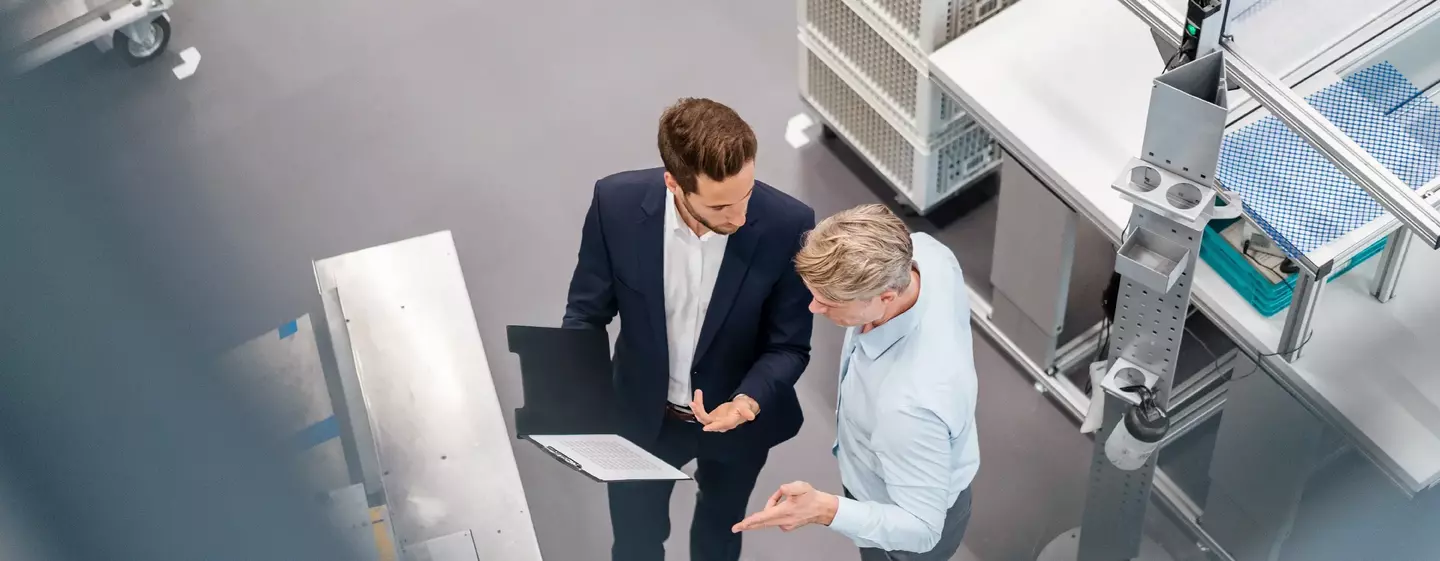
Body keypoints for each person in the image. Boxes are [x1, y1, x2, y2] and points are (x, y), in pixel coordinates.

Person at [562, 97, 816, 561]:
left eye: (747, 194)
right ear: (674, 184)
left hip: (737, 423)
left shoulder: (789, 225)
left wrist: (746, 403)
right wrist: (577, 404)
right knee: (636, 542)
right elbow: (585, 315)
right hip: (642, 418)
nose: (739, 218)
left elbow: (790, 346)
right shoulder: (614, 205)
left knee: (721, 534)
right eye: (720, 206)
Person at [731, 204, 980, 561]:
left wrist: (824, 510)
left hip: (903, 522)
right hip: (897, 466)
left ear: (885, 297)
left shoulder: (907, 409)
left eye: (829, 302)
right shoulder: (927, 255)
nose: (813, 308)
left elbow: (922, 528)